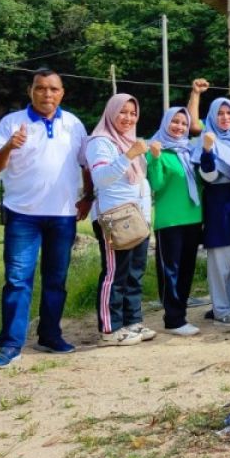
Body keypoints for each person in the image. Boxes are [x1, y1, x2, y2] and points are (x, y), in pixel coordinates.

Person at [0, 69, 92, 368]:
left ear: (62, 92)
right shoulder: (11, 123)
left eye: (53, 89)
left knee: (56, 280)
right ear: (31, 91)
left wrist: (88, 196)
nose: (47, 94)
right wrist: (9, 146)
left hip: (63, 215)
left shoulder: (74, 124)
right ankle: (10, 344)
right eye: (41, 88)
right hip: (23, 216)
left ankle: (50, 335)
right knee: (18, 280)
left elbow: (86, 164)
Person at [86, 93, 152, 347]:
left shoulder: (129, 140)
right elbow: (101, 177)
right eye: (122, 112)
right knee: (115, 273)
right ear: (111, 112)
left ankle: (132, 321)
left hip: (137, 217)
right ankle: (110, 328)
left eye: (133, 113)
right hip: (115, 218)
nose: (128, 118)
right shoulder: (100, 142)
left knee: (135, 272)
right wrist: (129, 155)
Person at [193, 97, 230, 326]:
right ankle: (220, 310)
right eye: (220, 113)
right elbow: (209, 176)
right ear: (212, 116)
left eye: (229, 113)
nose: (225, 118)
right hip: (219, 204)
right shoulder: (207, 139)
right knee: (220, 262)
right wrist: (208, 151)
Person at [147, 106, 204, 336]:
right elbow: (157, 186)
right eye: (175, 122)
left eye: (183, 123)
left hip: (193, 217)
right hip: (169, 220)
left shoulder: (190, 150)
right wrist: (156, 159)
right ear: (165, 123)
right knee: (170, 270)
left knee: (187, 268)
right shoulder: (156, 149)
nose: (179, 127)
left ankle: (180, 314)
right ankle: (173, 318)